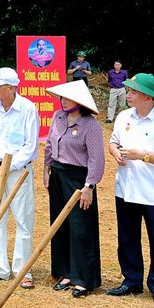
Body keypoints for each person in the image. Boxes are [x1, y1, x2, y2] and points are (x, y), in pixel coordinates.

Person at [107, 74, 154, 305]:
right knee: (127, 237)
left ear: (148, 96)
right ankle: (131, 280)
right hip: (126, 188)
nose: (127, 94)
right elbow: (113, 141)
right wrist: (115, 152)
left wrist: (144, 156)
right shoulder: (123, 117)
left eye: (133, 91)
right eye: (128, 90)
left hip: (153, 191)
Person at [43, 79, 104, 297]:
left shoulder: (90, 125)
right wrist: (46, 169)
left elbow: (96, 159)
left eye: (68, 98)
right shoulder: (57, 117)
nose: (63, 101)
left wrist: (89, 185)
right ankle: (65, 272)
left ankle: (83, 278)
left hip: (79, 180)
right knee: (60, 225)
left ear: (80, 102)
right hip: (57, 175)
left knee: (80, 228)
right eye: (61, 97)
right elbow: (50, 144)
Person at [0, 67, 40, 288]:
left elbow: (30, 147)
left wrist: (7, 167)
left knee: (23, 218)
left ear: (11, 88)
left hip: (17, 170)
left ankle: (23, 270)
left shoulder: (27, 109)